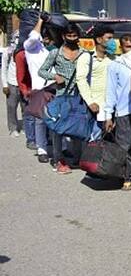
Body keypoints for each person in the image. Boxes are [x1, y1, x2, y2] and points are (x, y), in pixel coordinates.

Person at [38, 23, 85, 174]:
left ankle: (77, 158)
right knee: (58, 129)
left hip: (78, 96)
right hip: (61, 96)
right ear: (64, 37)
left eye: (74, 35)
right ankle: (58, 160)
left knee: (78, 128)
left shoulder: (84, 54)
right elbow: (42, 71)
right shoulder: (55, 54)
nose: (72, 38)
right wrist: (55, 76)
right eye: (69, 36)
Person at [104, 35, 131, 190]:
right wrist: (108, 115)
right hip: (124, 111)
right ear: (121, 47)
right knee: (124, 146)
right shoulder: (116, 65)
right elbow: (111, 92)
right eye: (127, 46)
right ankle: (126, 176)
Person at [23, 16, 54, 163]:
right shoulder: (30, 46)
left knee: (55, 118)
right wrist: (40, 21)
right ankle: (42, 150)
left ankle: (62, 147)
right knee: (40, 121)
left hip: (52, 87)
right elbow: (34, 36)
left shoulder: (45, 49)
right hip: (39, 88)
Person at [76, 25, 115, 140]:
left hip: (108, 107)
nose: (112, 41)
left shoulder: (113, 59)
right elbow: (81, 80)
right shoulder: (86, 57)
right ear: (99, 40)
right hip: (93, 107)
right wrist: (90, 102)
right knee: (92, 139)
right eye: (109, 38)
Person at [14, 44, 36, 150]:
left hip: (41, 87)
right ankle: (31, 139)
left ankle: (43, 137)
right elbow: (20, 75)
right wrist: (25, 91)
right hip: (29, 88)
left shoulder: (42, 51)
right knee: (30, 116)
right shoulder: (21, 55)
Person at [2, 31, 23, 137]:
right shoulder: (8, 51)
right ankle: (13, 128)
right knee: (11, 106)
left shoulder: (27, 50)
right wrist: (5, 84)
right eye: (17, 37)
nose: (18, 39)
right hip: (12, 82)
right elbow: (3, 68)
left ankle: (27, 127)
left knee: (26, 107)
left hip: (24, 83)